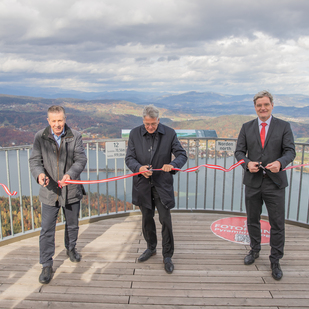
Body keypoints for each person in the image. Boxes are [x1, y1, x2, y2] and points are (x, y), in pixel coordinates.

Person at [235, 90, 295, 280]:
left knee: (277, 224)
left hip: (275, 183)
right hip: (252, 182)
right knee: (252, 220)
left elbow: (290, 151)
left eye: (266, 105)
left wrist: (280, 163)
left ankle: (275, 260)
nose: (262, 108)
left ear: (271, 105)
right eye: (259, 105)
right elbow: (239, 152)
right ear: (255, 107)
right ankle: (254, 250)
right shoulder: (246, 127)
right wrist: (247, 163)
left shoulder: (284, 126)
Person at [125, 105, 187, 274]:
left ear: (158, 120)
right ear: (143, 121)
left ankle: (167, 255)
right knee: (147, 219)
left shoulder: (170, 133)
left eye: (153, 124)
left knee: (165, 220)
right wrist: (138, 168)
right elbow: (129, 158)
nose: (150, 127)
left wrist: (173, 165)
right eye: (147, 124)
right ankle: (151, 247)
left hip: (162, 185)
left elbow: (182, 154)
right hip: (142, 185)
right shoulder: (134, 134)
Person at [29, 105, 87, 284]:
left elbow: (81, 159)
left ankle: (71, 249)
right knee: (46, 229)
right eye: (53, 121)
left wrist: (70, 174)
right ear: (48, 121)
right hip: (49, 191)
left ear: (65, 119)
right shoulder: (40, 137)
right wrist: (39, 175)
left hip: (71, 189)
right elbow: (35, 160)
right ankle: (46, 264)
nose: (57, 124)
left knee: (72, 225)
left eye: (60, 120)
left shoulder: (75, 136)